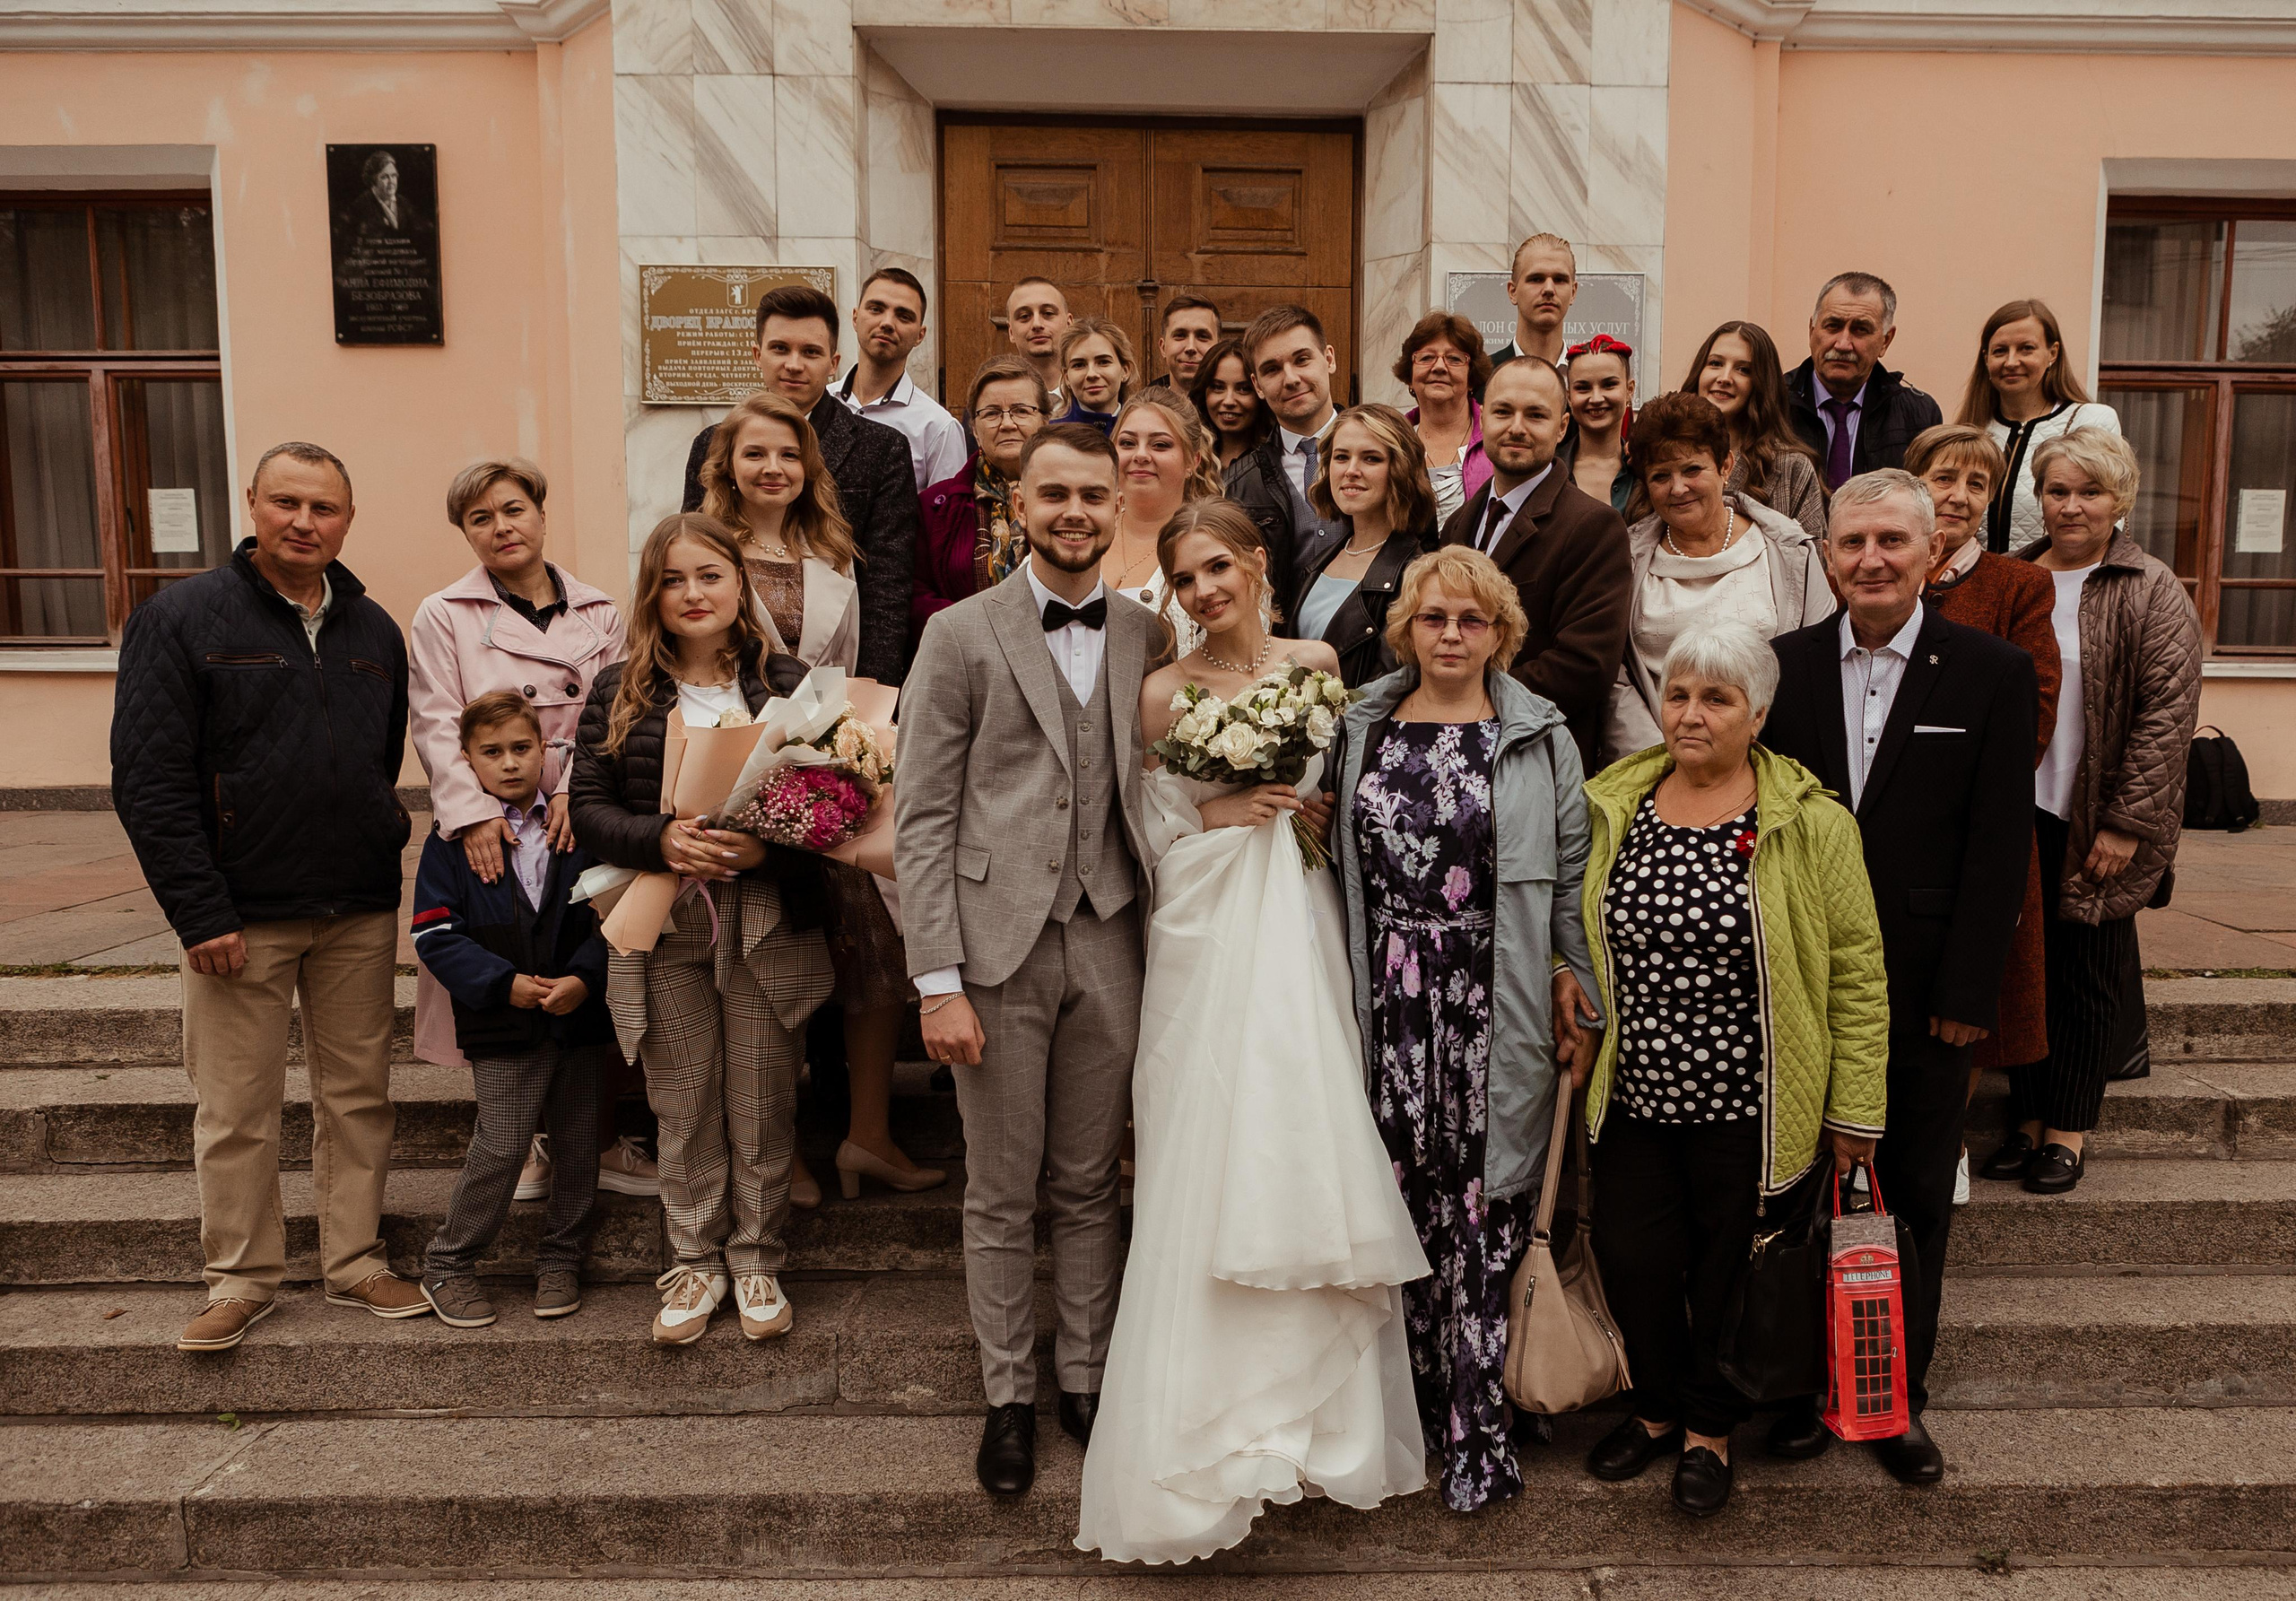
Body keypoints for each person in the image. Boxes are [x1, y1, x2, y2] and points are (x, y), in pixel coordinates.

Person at [1077, 502, 1428, 1562]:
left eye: (1217, 568)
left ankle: (1316, 1416)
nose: (1202, 593)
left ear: (1257, 564)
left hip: (1298, 908)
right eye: (1184, 579)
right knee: (1204, 1125)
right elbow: (1140, 819)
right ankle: (1205, 1421)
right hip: (1205, 913)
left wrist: (1309, 809)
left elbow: (1342, 787)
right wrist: (1205, 817)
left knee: (1297, 1106)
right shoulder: (1159, 690)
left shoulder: (1319, 659)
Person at [111, 440, 428, 1351]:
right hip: (238, 912)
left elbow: (379, 758)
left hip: (357, 906)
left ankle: (356, 1259)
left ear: (348, 519)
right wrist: (198, 910)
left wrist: (378, 839)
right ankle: (242, 1278)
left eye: (324, 508)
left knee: (359, 1095)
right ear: (251, 503)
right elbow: (149, 777)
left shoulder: (373, 631)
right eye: (286, 502)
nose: (304, 522)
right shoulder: (181, 618)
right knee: (237, 1105)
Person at [1760, 469, 2039, 1485]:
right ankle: (1796, 1392)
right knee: (1795, 1199)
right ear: (1826, 555)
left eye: (1890, 542)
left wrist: (1970, 996)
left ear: (1931, 553)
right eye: (1851, 544)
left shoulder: (1991, 674)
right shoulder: (1780, 669)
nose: (1869, 561)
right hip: (1798, 984)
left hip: (1928, 991)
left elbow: (2000, 846)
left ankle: (1894, 1400)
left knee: (1912, 1196)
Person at [895, 423, 1156, 1499]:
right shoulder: (958, 633)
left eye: (1093, 495)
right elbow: (920, 818)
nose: (1075, 512)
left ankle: (1084, 1379)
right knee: (1001, 1191)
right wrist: (937, 981)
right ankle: (1007, 1397)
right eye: (1054, 493)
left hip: (1115, 937)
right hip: (994, 951)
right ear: (1020, 501)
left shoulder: (1148, 633)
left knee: (1092, 1182)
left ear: (1116, 504)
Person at [1579, 621, 1888, 1518]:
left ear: (1756, 713)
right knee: (1634, 1257)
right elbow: (1573, 926)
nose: (1690, 714)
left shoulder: (1808, 821)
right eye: (1677, 694)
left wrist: (1855, 1110)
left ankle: (1708, 1429)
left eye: (1715, 698)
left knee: (1725, 1269)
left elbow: (1856, 968)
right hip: (1634, 1092)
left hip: (1751, 1100)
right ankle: (1657, 1407)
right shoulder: (1613, 804)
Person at [1332, 544, 1600, 1512]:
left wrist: (1579, 986)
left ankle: (1478, 1423)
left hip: (1498, 988)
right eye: (1435, 617)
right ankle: (1412, 1403)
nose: (1451, 634)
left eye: (1471, 620)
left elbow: (1569, 881)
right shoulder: (1357, 725)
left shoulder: (1538, 735)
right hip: (1386, 997)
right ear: (1405, 627)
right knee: (1400, 1197)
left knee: (1488, 1203)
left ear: (1501, 633)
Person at [569, 513, 836, 1345]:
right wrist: (661, 837)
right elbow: (587, 808)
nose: (693, 593)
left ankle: (756, 1254)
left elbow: (835, 810)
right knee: (683, 1099)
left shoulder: (788, 682)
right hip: (662, 916)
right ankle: (692, 1260)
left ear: (738, 585)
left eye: (710, 575)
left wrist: (766, 842)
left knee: (760, 1097)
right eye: (674, 579)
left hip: (763, 919)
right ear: (653, 591)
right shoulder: (622, 688)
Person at [698, 388, 944, 1204]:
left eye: (789, 454)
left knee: (872, 958)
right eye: (756, 453)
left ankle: (868, 1135)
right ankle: (787, 1146)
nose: (773, 468)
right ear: (727, 465)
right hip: (740, 776)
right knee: (784, 965)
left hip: (834, 777)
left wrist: (857, 749)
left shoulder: (833, 551)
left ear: (810, 468)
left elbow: (844, 671)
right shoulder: (706, 548)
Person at [405, 458, 652, 1202]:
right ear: (466, 534)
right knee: (505, 963)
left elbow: (617, 707)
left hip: (581, 810)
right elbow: (437, 720)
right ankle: (530, 1139)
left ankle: (599, 1137)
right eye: (480, 518)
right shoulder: (443, 613)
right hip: (493, 816)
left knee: (590, 963)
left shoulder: (600, 610)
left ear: (541, 514)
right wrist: (472, 815)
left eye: (512, 509)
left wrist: (585, 789)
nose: (501, 527)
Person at [1986, 430, 2201, 1196]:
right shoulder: (2012, 577)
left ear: (2120, 500)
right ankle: (2025, 1117)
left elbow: (2167, 716)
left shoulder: (2148, 586)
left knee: (2085, 973)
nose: (2071, 506)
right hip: (2019, 808)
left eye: (2089, 492)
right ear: (2036, 496)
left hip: (2097, 814)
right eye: (2056, 490)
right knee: (2025, 970)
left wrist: (2127, 823)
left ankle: (2067, 1130)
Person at [412, 692, 615, 1328]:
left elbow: (616, 915)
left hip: (583, 1018)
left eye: (521, 749)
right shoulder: (451, 843)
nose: (508, 763)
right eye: (491, 752)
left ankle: (562, 1257)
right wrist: (504, 983)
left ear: (545, 753)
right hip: (502, 1021)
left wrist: (586, 976)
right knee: (501, 1145)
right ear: (467, 760)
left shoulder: (577, 826)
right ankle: (450, 1261)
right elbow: (434, 934)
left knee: (581, 1144)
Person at [1909, 424, 2063, 1136]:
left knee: (1972, 990)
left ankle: (1949, 1139)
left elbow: (2036, 710)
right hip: (1882, 822)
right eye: (1945, 477)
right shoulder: (1878, 565)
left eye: (1977, 483)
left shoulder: (2018, 584)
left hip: (1977, 824)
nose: (1959, 496)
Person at [679, 283, 918, 684]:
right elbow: (692, 555)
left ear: (833, 363)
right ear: (758, 355)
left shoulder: (882, 448)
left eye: (810, 352)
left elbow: (887, 588)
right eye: (779, 349)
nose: (793, 364)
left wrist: (874, 695)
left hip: (835, 669)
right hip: (727, 676)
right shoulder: (712, 442)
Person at [1607, 392, 1834, 761]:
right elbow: (1616, 679)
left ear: (1726, 465)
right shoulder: (1625, 561)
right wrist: (1665, 760)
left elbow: (1819, 663)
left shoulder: (1790, 551)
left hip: (1770, 760)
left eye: (1692, 470)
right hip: (1658, 763)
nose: (1678, 488)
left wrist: (1757, 763)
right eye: (1660, 476)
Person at [1439, 356, 1631, 775]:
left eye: (1536, 415)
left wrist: (1466, 693)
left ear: (1562, 427)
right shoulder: (1459, 522)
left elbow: (1586, 666)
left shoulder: (1594, 526)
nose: (1517, 428)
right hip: (1452, 753)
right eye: (1503, 411)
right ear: (1482, 418)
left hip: (1537, 760)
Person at [1957, 299, 2123, 553]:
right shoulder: (1970, 430)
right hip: (1976, 586)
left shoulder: (2090, 421)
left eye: (2026, 349)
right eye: (2000, 351)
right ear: (1986, 358)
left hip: (2057, 583)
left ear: (2052, 353)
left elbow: (2112, 518)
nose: (2011, 362)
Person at [1292, 403, 1439, 687]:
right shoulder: (1321, 561)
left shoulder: (1416, 577)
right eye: (1341, 457)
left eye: (1370, 459)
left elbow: (1394, 687)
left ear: (1399, 470)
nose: (1351, 470)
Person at [913, 355, 1048, 646]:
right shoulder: (934, 508)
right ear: (973, 428)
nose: (1007, 423)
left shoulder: (1071, 501)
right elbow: (915, 593)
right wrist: (977, 629)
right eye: (992, 413)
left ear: (1045, 421)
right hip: (962, 657)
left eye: (1021, 411)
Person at [1223, 304, 1344, 620]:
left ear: (1328, 359)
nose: (1291, 379)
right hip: (1280, 652)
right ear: (1258, 385)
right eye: (1272, 369)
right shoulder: (1240, 482)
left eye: (1302, 359)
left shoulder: (1385, 449)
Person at [1786, 272, 1944, 490]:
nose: (1843, 344)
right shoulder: (1772, 403)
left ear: (1885, 341)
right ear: (1812, 330)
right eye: (1832, 326)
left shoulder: (1918, 414)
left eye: (1860, 330)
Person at [1098, 388, 1222, 652]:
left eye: (1160, 445)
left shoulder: (1220, 547)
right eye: (1128, 443)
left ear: (1193, 460)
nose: (1140, 455)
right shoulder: (1082, 531)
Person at [1683, 320, 1829, 543]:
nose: (1724, 378)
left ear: (1761, 383)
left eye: (1743, 369)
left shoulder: (1791, 467)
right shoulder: (1664, 455)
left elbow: (1812, 562)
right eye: (1715, 363)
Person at [838, 265, 967, 493]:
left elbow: (944, 523)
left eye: (903, 316)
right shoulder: (822, 402)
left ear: (920, 335)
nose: (887, 323)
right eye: (876, 309)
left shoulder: (938, 428)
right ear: (856, 318)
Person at [1396, 310, 1492, 524]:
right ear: (1410, 377)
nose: (1439, 367)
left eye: (1454, 359)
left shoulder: (1496, 434)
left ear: (1471, 377)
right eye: (1426, 358)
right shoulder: (1393, 442)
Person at [1557, 334, 1637, 515]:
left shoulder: (1646, 471)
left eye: (1609, 385)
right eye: (1583, 388)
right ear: (1569, 397)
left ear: (1629, 390)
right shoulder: (1548, 470)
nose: (1596, 398)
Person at [1488, 232, 1578, 374]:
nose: (1549, 289)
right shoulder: (1482, 377)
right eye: (1536, 279)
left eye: (1560, 279)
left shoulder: (1588, 381)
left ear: (1573, 292)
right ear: (1513, 292)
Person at [1188, 337, 1271, 471]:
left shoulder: (1278, 462)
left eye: (1243, 389)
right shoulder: (1187, 458)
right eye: (1218, 387)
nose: (1229, 401)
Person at [1056, 316, 1135, 434]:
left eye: (1104, 362)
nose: (1091, 374)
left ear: (1125, 370)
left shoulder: (1144, 430)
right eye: (1079, 365)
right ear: (1066, 377)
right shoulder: (1050, 436)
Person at [1005, 275, 1074, 409]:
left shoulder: (1098, 397)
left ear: (1069, 324)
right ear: (1011, 332)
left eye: (1048, 313)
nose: (1037, 324)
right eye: (1024, 316)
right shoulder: (987, 407)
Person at [1148, 293, 1221, 392]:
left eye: (1203, 337)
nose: (1191, 348)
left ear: (1219, 348)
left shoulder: (1236, 406)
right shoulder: (1141, 406)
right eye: (1180, 335)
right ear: (1162, 347)